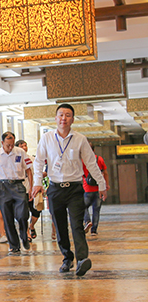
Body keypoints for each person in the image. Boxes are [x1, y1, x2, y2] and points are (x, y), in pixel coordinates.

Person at [31, 103, 107, 276]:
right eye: (61, 115)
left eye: (67, 115)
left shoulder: (80, 139)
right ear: (56, 118)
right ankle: (67, 258)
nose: (63, 118)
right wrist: (37, 183)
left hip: (74, 189)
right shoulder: (47, 138)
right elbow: (38, 162)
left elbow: (91, 163)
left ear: (72, 119)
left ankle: (82, 259)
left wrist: (101, 184)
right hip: (55, 189)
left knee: (77, 225)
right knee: (60, 226)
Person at [0, 131, 33, 254]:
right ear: (2, 143)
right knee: (7, 218)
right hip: (3, 187)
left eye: (12, 144)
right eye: (8, 145)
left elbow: (29, 170)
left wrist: (31, 187)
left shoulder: (20, 152)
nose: (10, 147)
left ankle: (24, 236)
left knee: (22, 215)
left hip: (18, 186)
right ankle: (14, 245)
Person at [16, 140, 41, 240]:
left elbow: (37, 172)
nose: (24, 148)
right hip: (21, 190)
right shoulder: (16, 159)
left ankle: (32, 226)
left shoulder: (33, 159)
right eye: (21, 146)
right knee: (24, 213)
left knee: (36, 211)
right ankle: (27, 233)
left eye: (25, 145)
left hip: (33, 188)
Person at [83, 143, 109, 237]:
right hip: (99, 189)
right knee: (96, 210)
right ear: (94, 150)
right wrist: (106, 185)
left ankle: (87, 221)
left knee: (82, 206)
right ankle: (94, 231)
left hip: (87, 188)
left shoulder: (83, 160)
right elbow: (105, 172)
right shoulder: (99, 159)